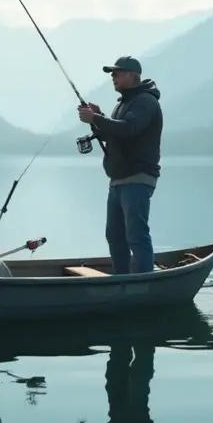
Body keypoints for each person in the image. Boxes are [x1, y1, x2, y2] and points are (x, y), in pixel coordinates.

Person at [77, 55, 163, 274]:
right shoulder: (123, 103)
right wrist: (99, 116)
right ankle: (121, 281)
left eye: (117, 72)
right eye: (111, 73)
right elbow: (115, 133)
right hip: (118, 180)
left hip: (138, 178)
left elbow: (129, 129)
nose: (112, 77)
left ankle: (145, 282)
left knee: (136, 235)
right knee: (114, 235)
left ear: (131, 75)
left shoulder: (146, 102)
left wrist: (96, 119)